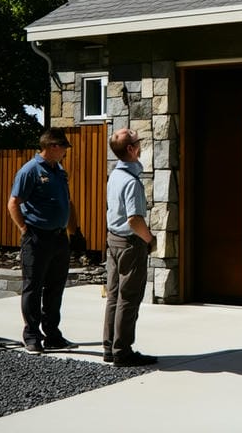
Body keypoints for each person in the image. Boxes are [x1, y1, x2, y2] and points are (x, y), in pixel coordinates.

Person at [7, 128, 80, 354]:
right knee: (33, 287)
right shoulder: (30, 171)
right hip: (37, 237)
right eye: (63, 147)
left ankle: (53, 335)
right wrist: (25, 229)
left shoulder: (59, 171)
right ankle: (31, 336)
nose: (66, 152)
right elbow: (13, 203)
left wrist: (75, 233)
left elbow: (68, 203)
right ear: (52, 147)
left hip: (59, 238)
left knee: (55, 287)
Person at [103, 128, 158, 367]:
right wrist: (149, 239)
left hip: (113, 241)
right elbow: (134, 219)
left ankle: (110, 347)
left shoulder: (115, 175)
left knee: (114, 296)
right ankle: (122, 351)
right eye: (138, 142)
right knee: (129, 297)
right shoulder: (131, 181)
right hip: (129, 244)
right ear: (131, 149)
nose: (141, 146)